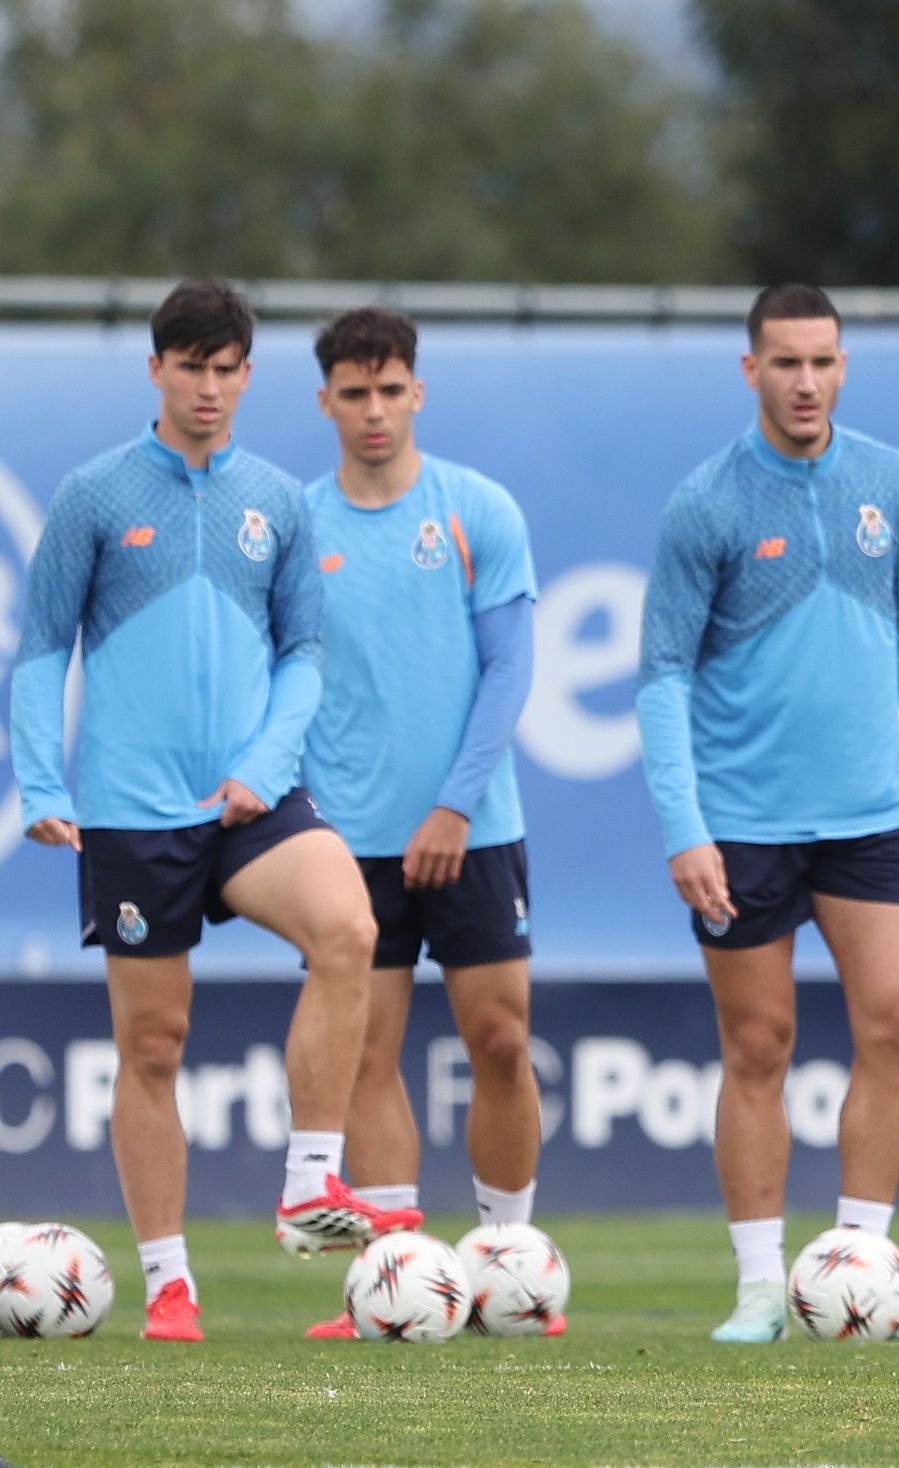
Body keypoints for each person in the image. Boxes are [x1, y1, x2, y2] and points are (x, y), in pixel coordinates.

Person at [7, 280, 421, 1344]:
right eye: (189, 367)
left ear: (247, 375)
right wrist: (41, 784)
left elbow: (304, 652)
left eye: (226, 369)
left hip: (252, 799)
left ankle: (310, 1179)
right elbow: (42, 649)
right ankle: (169, 1282)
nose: (208, 387)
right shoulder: (96, 495)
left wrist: (265, 763)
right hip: (134, 811)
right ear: (157, 369)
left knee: (351, 927)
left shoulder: (276, 499)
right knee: (155, 1046)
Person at [637, 283, 899, 1344]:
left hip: (870, 814)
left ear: (843, 365)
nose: (806, 382)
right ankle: (757, 1287)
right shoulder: (706, 503)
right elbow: (660, 676)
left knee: (897, 1022)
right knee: (760, 1044)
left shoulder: (891, 482)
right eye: (785, 362)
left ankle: (863, 1271)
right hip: (742, 824)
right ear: (751, 369)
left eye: (823, 361)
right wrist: (684, 826)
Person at [295, 306, 555, 1339]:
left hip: (473, 829)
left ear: (418, 393)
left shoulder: (476, 510)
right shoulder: (299, 525)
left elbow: (509, 668)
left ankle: (507, 1268)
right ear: (325, 400)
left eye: (391, 389)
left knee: (501, 1039)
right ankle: (397, 1279)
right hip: (346, 842)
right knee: (369, 1053)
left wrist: (454, 802)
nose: (374, 410)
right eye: (354, 393)